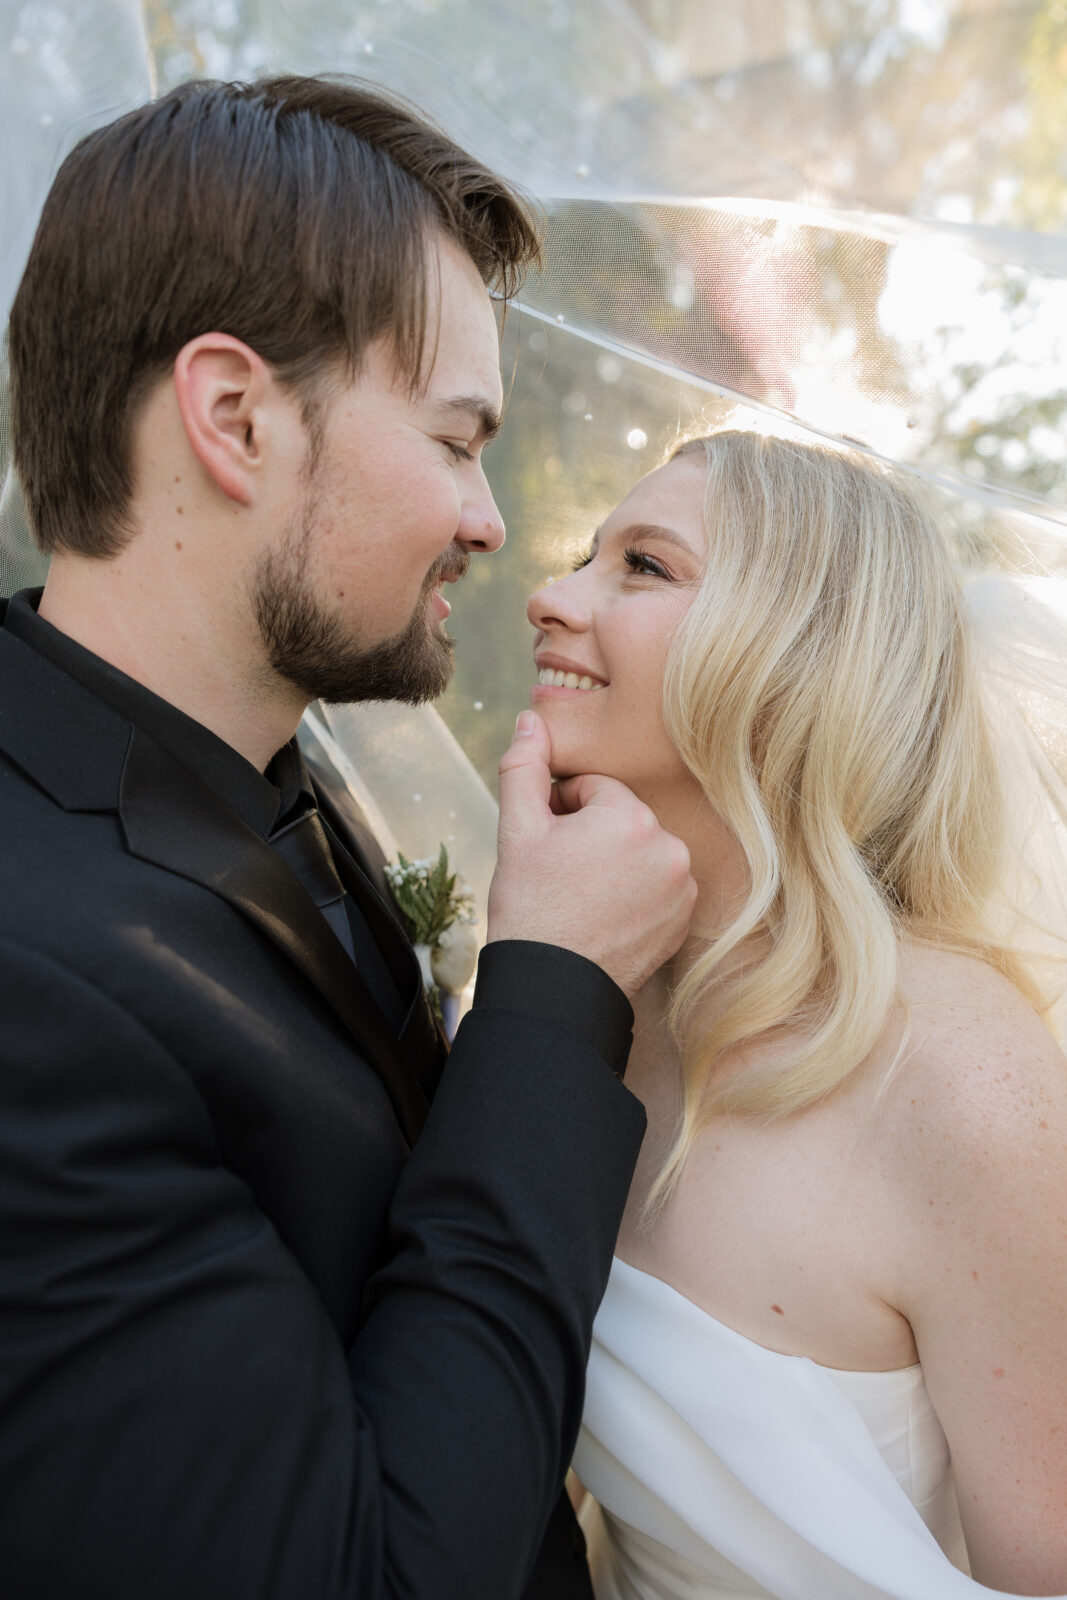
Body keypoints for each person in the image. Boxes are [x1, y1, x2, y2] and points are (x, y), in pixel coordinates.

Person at [0, 75, 698, 1600]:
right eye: (455, 440)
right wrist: (551, 1000)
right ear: (235, 419)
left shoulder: (274, 765)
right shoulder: (29, 991)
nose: (488, 522)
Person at [526, 428, 1067, 1599]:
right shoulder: (576, 1017)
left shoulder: (964, 1082)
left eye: (641, 565)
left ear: (790, 654)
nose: (548, 597)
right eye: (583, 556)